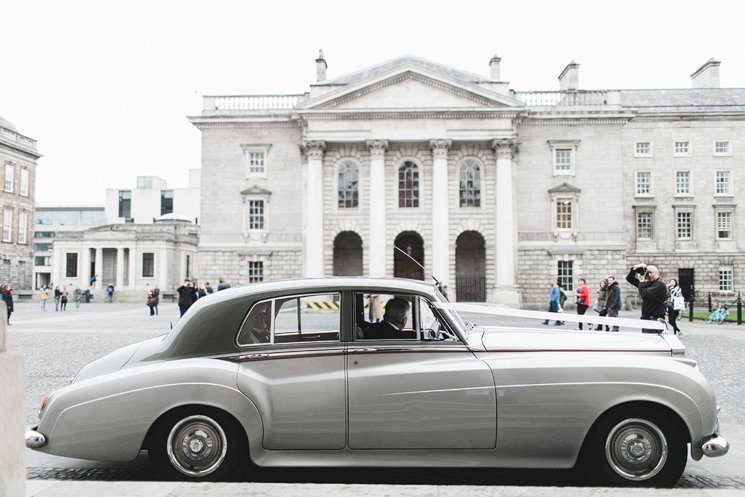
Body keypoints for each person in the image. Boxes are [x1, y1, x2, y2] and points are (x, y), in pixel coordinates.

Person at [626, 264, 667, 333]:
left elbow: (645, 295)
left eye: (649, 272)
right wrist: (634, 269)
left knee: (653, 341)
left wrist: (641, 281)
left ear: (656, 273)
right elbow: (630, 279)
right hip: (646, 318)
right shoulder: (647, 283)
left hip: (654, 319)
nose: (647, 274)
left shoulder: (660, 284)